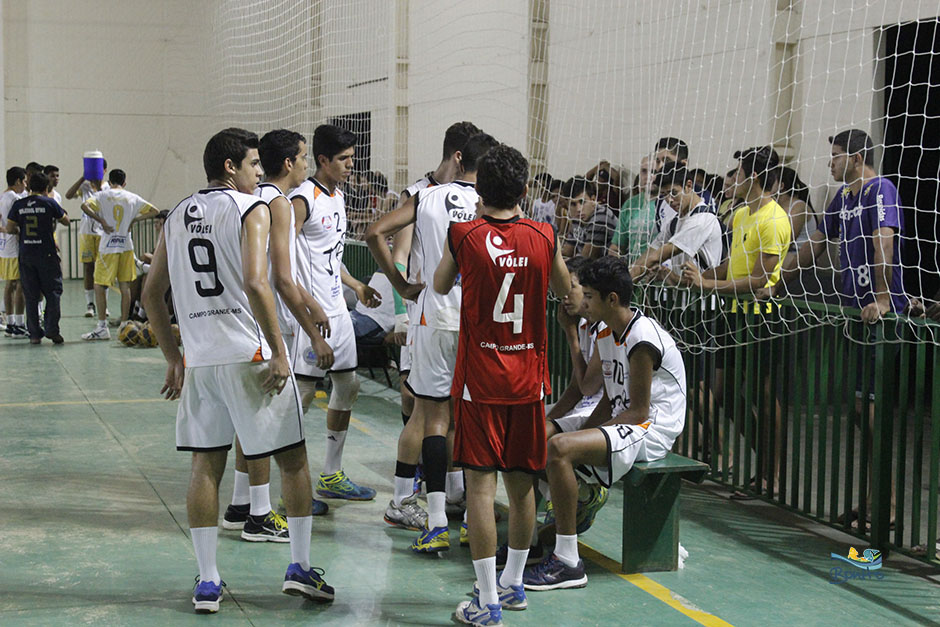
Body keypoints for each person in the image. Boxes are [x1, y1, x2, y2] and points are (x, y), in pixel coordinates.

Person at [142, 128, 334, 613]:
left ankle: (208, 581)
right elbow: (256, 281)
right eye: (252, 164)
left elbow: (150, 294)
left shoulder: (177, 213)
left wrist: (172, 357)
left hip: (201, 361)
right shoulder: (251, 208)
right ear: (231, 168)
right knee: (293, 459)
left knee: (205, 464)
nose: (257, 173)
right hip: (248, 355)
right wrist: (278, 350)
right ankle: (301, 567)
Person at [434, 142, 570, 624]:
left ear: (479, 189)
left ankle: (488, 599)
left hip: (480, 383)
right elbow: (566, 292)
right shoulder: (544, 234)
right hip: (528, 383)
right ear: (526, 190)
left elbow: (437, 284)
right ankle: (514, 584)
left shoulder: (465, 235)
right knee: (521, 486)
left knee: (478, 489)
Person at [366, 132, 500, 549]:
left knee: (430, 415)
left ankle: (435, 517)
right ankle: (466, 514)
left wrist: (401, 286)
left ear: (460, 159)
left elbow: (374, 233)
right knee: (468, 417)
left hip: (434, 314)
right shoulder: (495, 203)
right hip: (481, 320)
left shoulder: (427, 196)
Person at [523, 256, 685, 591]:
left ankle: (568, 562)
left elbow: (639, 412)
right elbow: (610, 397)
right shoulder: (607, 331)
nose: (582, 302)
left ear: (612, 299)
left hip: (651, 429)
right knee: (533, 439)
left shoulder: (642, 339)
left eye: (589, 296)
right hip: (625, 417)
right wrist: (584, 434)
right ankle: (538, 537)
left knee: (560, 449)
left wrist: (584, 439)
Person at [223, 129, 334, 540]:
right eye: (304, 157)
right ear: (289, 163)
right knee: (268, 424)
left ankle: (240, 503)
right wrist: (314, 330)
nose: (307, 165)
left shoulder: (246, 200)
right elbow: (282, 280)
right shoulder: (278, 204)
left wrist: (309, 300)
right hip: (271, 324)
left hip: (239, 320)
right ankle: (259, 512)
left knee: (246, 417)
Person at [681, 146, 790, 492]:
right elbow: (732, 265)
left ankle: (772, 474)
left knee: (762, 394)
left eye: (739, 172)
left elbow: (759, 279)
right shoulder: (741, 215)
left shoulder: (774, 219)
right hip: (733, 314)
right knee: (724, 391)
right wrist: (697, 277)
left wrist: (708, 284)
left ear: (754, 178)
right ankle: (763, 458)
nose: (734, 178)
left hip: (761, 318)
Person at [289, 123, 381, 501]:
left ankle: (331, 474)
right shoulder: (302, 199)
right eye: (343, 160)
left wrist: (356, 284)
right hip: (312, 313)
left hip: (339, 311)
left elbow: (331, 257)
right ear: (322, 159)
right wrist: (306, 306)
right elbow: (283, 261)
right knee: (304, 396)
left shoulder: (338, 197)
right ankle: (291, 487)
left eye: (352, 159)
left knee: (348, 385)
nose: (349, 166)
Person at [775, 130, 906, 320]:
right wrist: (777, 285)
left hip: (883, 312)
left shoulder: (881, 188)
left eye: (835, 156)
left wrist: (883, 299)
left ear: (857, 158)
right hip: (852, 307)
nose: (830, 163)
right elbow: (813, 245)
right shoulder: (844, 195)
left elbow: (884, 245)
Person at [79, 169, 159, 339]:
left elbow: (84, 206)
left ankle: (102, 327)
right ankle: (124, 324)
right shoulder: (132, 197)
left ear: (110, 180)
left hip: (108, 246)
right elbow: (155, 211)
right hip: (126, 246)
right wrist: (134, 220)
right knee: (125, 286)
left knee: (100, 285)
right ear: (124, 182)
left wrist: (101, 220)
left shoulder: (102, 195)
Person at [630, 162, 723, 284]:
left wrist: (623, 284)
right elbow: (650, 253)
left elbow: (657, 257)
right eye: (664, 195)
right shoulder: (675, 221)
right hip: (679, 298)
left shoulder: (703, 220)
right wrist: (630, 272)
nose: (669, 200)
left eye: (674, 193)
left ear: (688, 186)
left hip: (702, 300)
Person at [4, 172, 70, 344]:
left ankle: (34, 334)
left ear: (29, 186)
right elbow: (66, 221)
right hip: (46, 254)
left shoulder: (19, 204)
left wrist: (22, 231)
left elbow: (10, 228)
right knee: (53, 292)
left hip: (26, 254)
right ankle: (52, 330)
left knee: (31, 295)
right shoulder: (50, 203)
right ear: (46, 187)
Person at [66, 159, 110, 317]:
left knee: (103, 269)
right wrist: (82, 178)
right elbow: (69, 195)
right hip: (86, 233)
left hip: (103, 233)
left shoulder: (107, 187)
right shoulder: (84, 187)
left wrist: (98, 186)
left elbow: (106, 204)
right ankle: (90, 304)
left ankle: (103, 304)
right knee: (88, 267)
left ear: (104, 170)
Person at [609, 155, 657, 261]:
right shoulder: (630, 204)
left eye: (653, 172)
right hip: (633, 273)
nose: (648, 176)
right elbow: (616, 247)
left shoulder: (670, 203)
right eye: (644, 171)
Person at [0, 167, 28, 337]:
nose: (25, 185)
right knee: (19, 285)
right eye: (24, 181)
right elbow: (13, 227)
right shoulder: (15, 199)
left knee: (9, 285)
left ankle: (10, 323)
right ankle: (18, 323)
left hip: (4, 247)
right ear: (18, 181)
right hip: (13, 246)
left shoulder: (3, 196)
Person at [560, 178, 617, 260]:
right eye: (573, 204)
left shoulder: (601, 217)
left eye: (582, 202)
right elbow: (568, 252)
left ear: (593, 200)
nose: (578, 209)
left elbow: (587, 258)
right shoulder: (577, 217)